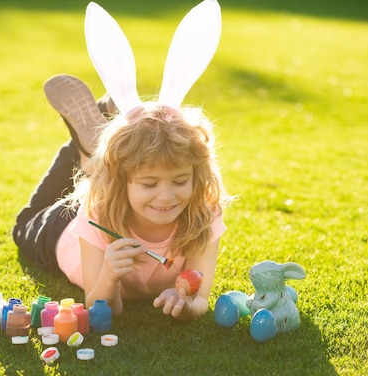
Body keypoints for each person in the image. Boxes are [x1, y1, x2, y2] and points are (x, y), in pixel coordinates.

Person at [13, 74, 230, 320]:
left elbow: (199, 299)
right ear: (122, 181)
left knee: (100, 175)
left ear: (195, 174)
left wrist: (186, 305)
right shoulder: (97, 213)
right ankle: (90, 151)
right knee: (24, 222)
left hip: (113, 197)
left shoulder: (204, 213)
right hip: (61, 227)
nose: (167, 196)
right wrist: (109, 275)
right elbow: (99, 308)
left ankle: (98, 151)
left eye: (180, 181)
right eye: (150, 183)